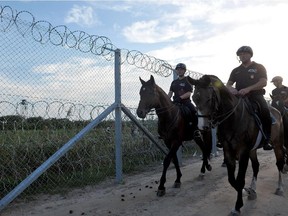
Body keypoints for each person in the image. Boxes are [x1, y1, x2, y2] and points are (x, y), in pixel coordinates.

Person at [226, 46, 273, 150]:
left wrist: (248, 89)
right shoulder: (236, 70)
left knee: (265, 111)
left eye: (245, 54)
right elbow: (228, 84)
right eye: (240, 54)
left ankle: (267, 139)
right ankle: (224, 139)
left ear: (250, 55)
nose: (242, 56)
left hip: (256, 96)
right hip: (239, 97)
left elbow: (263, 82)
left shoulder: (259, 67)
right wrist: (231, 89)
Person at [168, 63, 201, 138]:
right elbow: (170, 93)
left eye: (181, 69)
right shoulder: (174, 82)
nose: (179, 71)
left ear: (184, 71)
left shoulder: (188, 81)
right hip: (175, 102)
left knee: (194, 112)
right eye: (178, 69)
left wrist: (180, 98)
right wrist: (166, 100)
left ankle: (196, 130)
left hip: (185, 102)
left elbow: (189, 93)